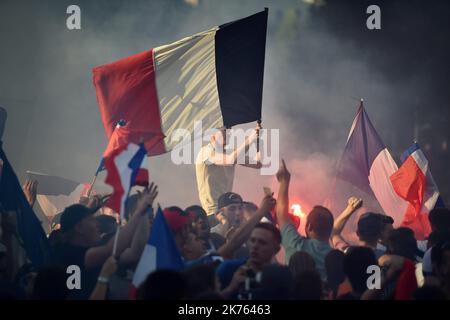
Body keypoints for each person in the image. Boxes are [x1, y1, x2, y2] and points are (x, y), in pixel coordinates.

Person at [51, 183, 157, 299]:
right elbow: (111, 249)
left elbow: (136, 252)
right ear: (79, 228)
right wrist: (138, 212)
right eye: (91, 220)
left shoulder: (66, 250)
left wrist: (143, 213)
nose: (98, 224)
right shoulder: (71, 253)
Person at [275, 159, 333, 279]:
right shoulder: (334, 257)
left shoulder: (296, 244)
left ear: (309, 226)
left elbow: (281, 213)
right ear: (330, 230)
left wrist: (284, 181)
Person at [195, 125, 262, 216]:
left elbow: (257, 164)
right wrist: (250, 138)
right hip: (214, 213)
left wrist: (257, 140)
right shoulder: (205, 152)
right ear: (212, 134)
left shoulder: (229, 152)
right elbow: (230, 160)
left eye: (229, 131)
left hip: (229, 210)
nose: (229, 133)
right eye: (224, 131)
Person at [217, 222, 281, 299]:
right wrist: (231, 288)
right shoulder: (228, 268)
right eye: (252, 240)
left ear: (276, 249)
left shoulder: (280, 276)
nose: (255, 246)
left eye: (262, 242)